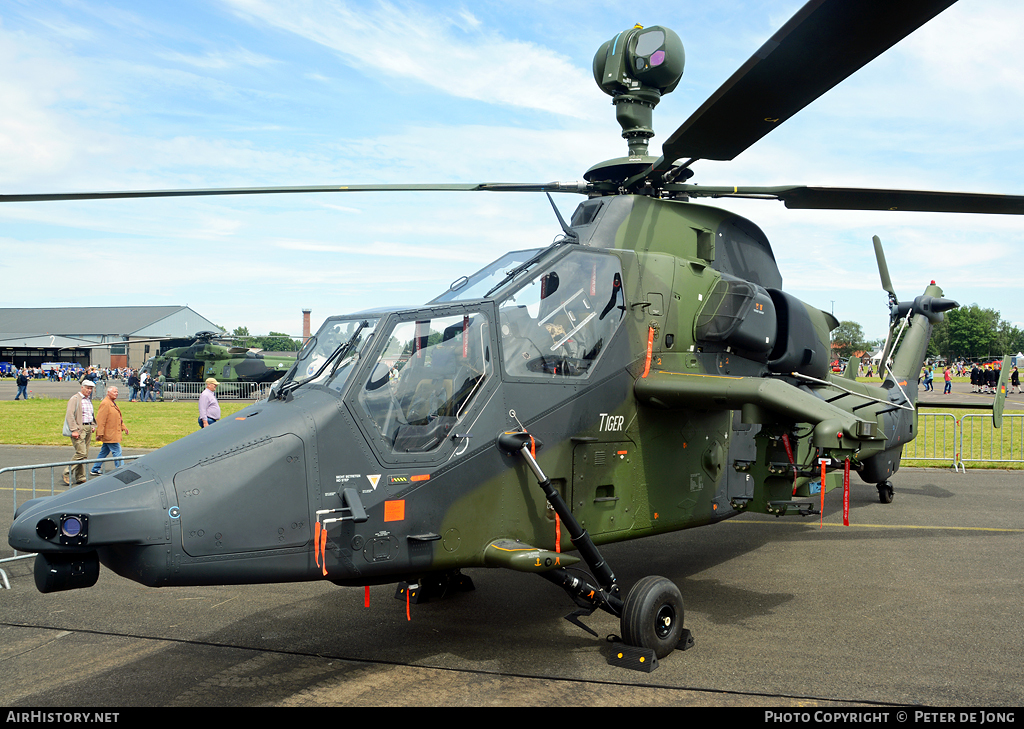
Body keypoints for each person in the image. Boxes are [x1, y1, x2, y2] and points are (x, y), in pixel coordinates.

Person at [62, 379, 97, 485]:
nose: (89, 390)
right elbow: (70, 415)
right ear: (82, 387)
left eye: (91, 389)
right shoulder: (75, 399)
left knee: (84, 455)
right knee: (81, 453)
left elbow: (90, 414)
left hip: (88, 428)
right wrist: (74, 430)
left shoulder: (88, 399)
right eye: (87, 388)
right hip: (79, 429)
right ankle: (67, 472)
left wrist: (93, 425)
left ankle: (80, 477)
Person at [92, 385, 129, 474]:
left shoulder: (112, 403)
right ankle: (121, 470)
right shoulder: (105, 403)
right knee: (117, 451)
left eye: (117, 392)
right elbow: (100, 420)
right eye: (114, 392)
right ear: (108, 393)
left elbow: (118, 418)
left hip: (113, 433)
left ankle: (95, 468)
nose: (116, 394)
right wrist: (99, 434)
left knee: (104, 451)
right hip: (109, 434)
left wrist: (123, 427)